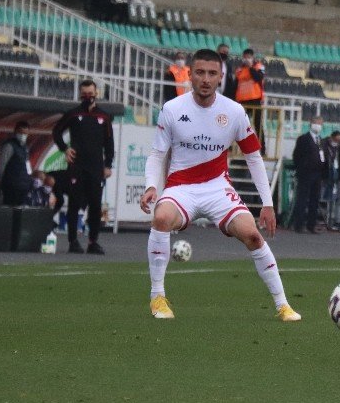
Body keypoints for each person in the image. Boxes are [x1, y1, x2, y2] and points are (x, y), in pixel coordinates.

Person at [138, 48, 301, 322]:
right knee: (162, 217)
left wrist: (268, 204)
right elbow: (157, 154)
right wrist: (151, 186)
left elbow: (253, 156)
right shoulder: (173, 109)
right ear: (190, 75)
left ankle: (283, 305)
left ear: (221, 77)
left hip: (217, 187)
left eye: (212, 73)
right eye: (200, 72)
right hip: (181, 187)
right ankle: (157, 296)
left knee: (252, 235)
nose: (205, 79)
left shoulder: (234, 111)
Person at [52, 80, 114, 254]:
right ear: (80, 94)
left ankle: (93, 241)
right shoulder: (73, 114)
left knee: (95, 205)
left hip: (96, 168)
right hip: (77, 167)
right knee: (74, 204)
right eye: (84, 94)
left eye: (91, 93)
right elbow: (56, 132)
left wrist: (108, 164)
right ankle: (73, 241)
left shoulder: (104, 117)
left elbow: (109, 143)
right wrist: (65, 149)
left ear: (96, 93)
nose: (88, 97)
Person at [290, 115, 328, 233]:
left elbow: (324, 158)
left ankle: (311, 225)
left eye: (320, 123)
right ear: (311, 123)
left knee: (314, 200)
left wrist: (324, 174)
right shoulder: (303, 139)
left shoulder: (321, 140)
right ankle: (299, 225)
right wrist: (301, 169)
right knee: (302, 199)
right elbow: (297, 156)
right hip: (305, 174)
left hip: (318, 174)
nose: (318, 125)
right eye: (316, 122)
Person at [0, 121, 33, 206]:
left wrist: (29, 178)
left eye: (25, 133)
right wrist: (0, 180)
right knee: (10, 208)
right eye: (21, 133)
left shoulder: (25, 147)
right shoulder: (9, 146)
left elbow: (28, 165)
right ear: (15, 132)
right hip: (11, 185)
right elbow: (2, 165)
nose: (23, 136)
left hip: (23, 185)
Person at [234, 48, 265, 151]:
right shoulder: (239, 70)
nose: (247, 59)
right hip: (242, 101)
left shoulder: (259, 66)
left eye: (249, 57)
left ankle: (262, 148)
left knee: (258, 125)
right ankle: (239, 148)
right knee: (241, 125)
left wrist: (251, 67)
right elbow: (236, 85)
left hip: (255, 100)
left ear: (252, 57)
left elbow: (258, 78)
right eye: (245, 57)